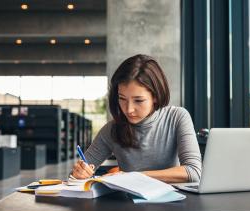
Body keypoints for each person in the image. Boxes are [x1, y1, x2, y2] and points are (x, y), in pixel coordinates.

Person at [71, 54, 202, 183]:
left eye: (138, 100)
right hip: (129, 203)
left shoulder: (177, 117)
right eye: (122, 99)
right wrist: (79, 174)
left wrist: (133, 176)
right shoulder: (112, 130)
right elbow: (74, 178)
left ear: (155, 96)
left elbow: (194, 172)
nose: (128, 109)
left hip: (174, 201)